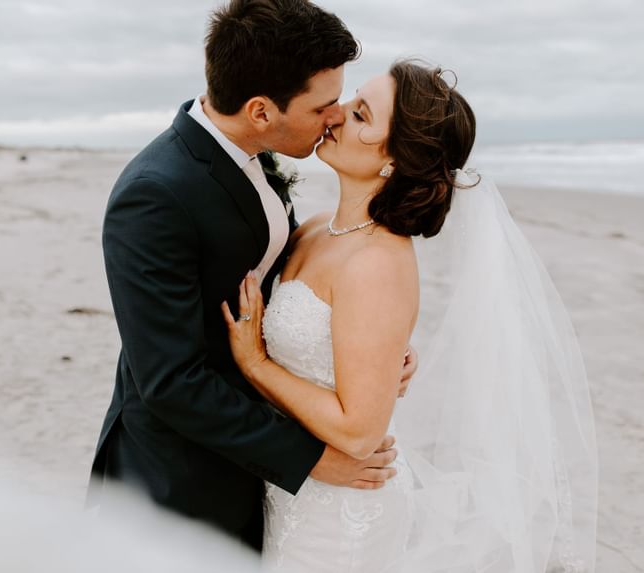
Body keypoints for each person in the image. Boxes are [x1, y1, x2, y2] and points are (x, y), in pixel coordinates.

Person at [223, 60, 598, 571]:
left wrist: (256, 365)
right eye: (349, 102)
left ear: (394, 160)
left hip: (338, 520)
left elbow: (359, 432)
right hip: (289, 491)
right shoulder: (313, 229)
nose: (333, 115)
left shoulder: (378, 262)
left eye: (359, 115)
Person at [87, 0, 418, 551]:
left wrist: (367, 352)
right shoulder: (155, 195)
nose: (335, 116)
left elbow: (274, 291)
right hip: (180, 480)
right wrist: (311, 459)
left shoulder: (255, 153)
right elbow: (169, 380)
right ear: (262, 111)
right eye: (324, 106)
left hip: (257, 460)